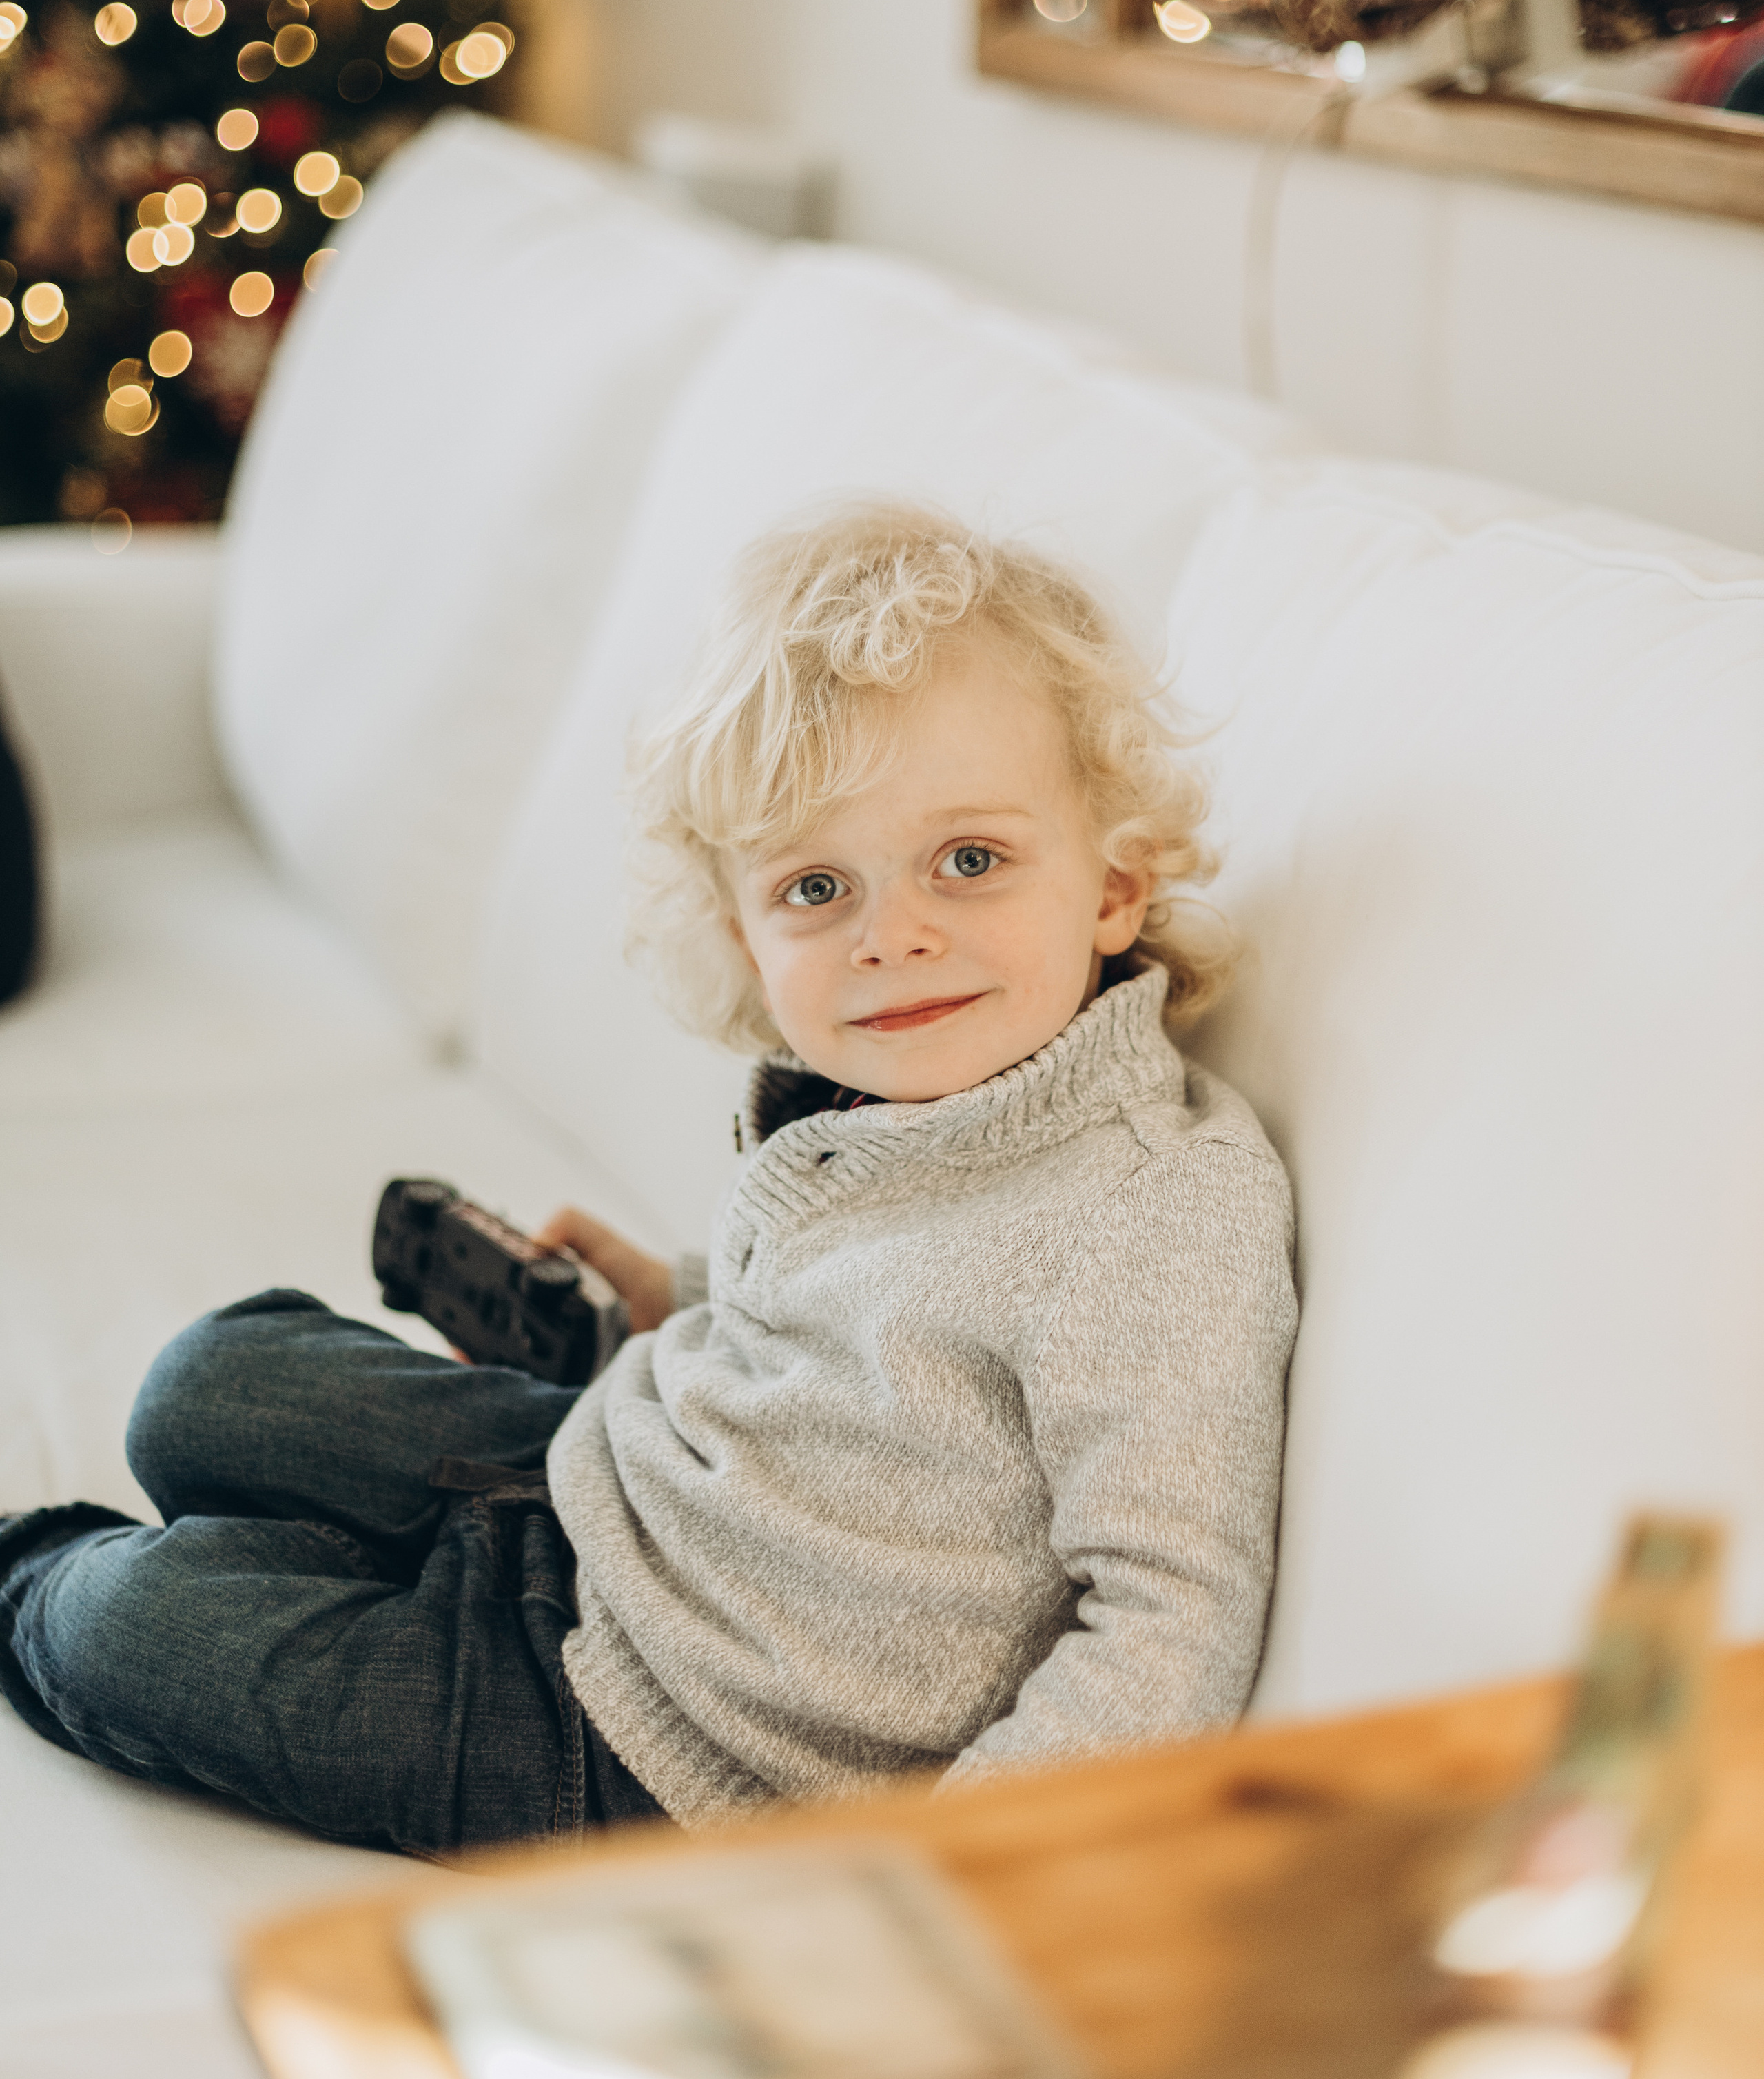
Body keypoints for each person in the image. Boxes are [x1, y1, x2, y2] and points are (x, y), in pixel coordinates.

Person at [0, 505, 1298, 1855]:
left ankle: (56, 1571)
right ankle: (358, 1550)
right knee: (206, 1382)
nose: (891, 937)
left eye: (967, 862)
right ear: (740, 931)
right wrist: (664, 1299)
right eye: (813, 888)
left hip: (650, 1746)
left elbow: (1168, 1613)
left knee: (121, 1623)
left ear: (1110, 887)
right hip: (605, 1484)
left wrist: (939, 1884)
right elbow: (861, 1339)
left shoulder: (1150, 1213)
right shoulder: (898, 1100)